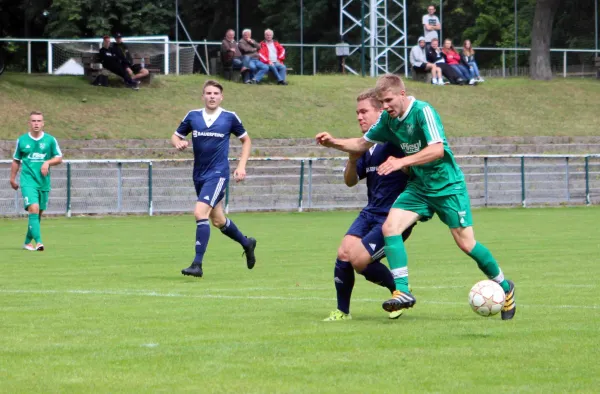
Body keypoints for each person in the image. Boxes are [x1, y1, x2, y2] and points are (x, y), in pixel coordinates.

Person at [315, 74, 516, 321]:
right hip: (419, 188)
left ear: (402, 94)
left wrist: (402, 162)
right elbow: (361, 143)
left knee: (466, 244)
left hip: (447, 186)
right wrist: (333, 143)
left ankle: (506, 287)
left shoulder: (423, 111)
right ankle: (403, 291)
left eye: (388, 100)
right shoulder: (388, 122)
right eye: (382, 101)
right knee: (391, 227)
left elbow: (437, 149)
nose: (385, 106)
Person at [324, 89, 415, 321]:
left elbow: (415, 167)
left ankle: (401, 293)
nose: (359, 117)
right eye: (357, 113)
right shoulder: (366, 147)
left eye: (364, 111)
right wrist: (352, 160)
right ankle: (343, 312)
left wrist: (403, 166)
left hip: (393, 217)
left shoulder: (395, 142)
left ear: (380, 112)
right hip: (370, 212)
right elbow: (350, 181)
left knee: (359, 260)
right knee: (344, 253)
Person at [171, 80, 257, 278]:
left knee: (200, 212)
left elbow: (246, 140)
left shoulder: (229, 117)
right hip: (199, 175)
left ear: (221, 97)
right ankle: (247, 243)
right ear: (203, 96)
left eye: (215, 93)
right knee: (218, 220)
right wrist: (179, 143)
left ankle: (197, 264)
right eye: (208, 93)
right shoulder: (193, 116)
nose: (212, 96)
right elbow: (175, 136)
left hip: (218, 174)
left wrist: (241, 166)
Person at [9, 111, 63, 251]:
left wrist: (47, 163)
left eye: (39, 121)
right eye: (33, 121)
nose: (36, 123)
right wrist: (12, 178)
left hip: (43, 182)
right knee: (33, 208)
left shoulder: (50, 140)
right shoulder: (22, 140)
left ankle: (27, 242)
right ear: (29, 123)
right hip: (27, 180)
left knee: (37, 213)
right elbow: (16, 160)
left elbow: (59, 158)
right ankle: (39, 242)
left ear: (43, 123)